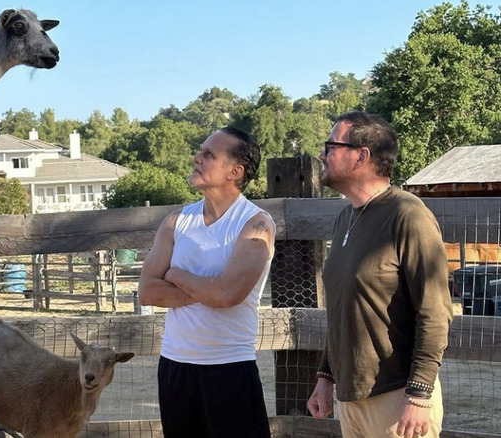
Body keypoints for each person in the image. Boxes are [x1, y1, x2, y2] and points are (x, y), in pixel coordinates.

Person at [306, 111, 454, 438]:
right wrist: (326, 378)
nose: (323, 155)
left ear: (362, 155)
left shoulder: (408, 215)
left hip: (397, 397)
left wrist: (418, 394)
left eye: (331, 146)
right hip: (351, 400)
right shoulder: (345, 218)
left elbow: (435, 313)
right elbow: (345, 308)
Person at [138, 126, 275, 438]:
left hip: (229, 368)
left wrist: (174, 275)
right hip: (175, 367)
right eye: (200, 151)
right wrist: (208, 288)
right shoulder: (176, 221)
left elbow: (228, 295)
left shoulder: (256, 223)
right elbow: (147, 292)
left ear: (234, 171)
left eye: (208, 154)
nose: (196, 158)